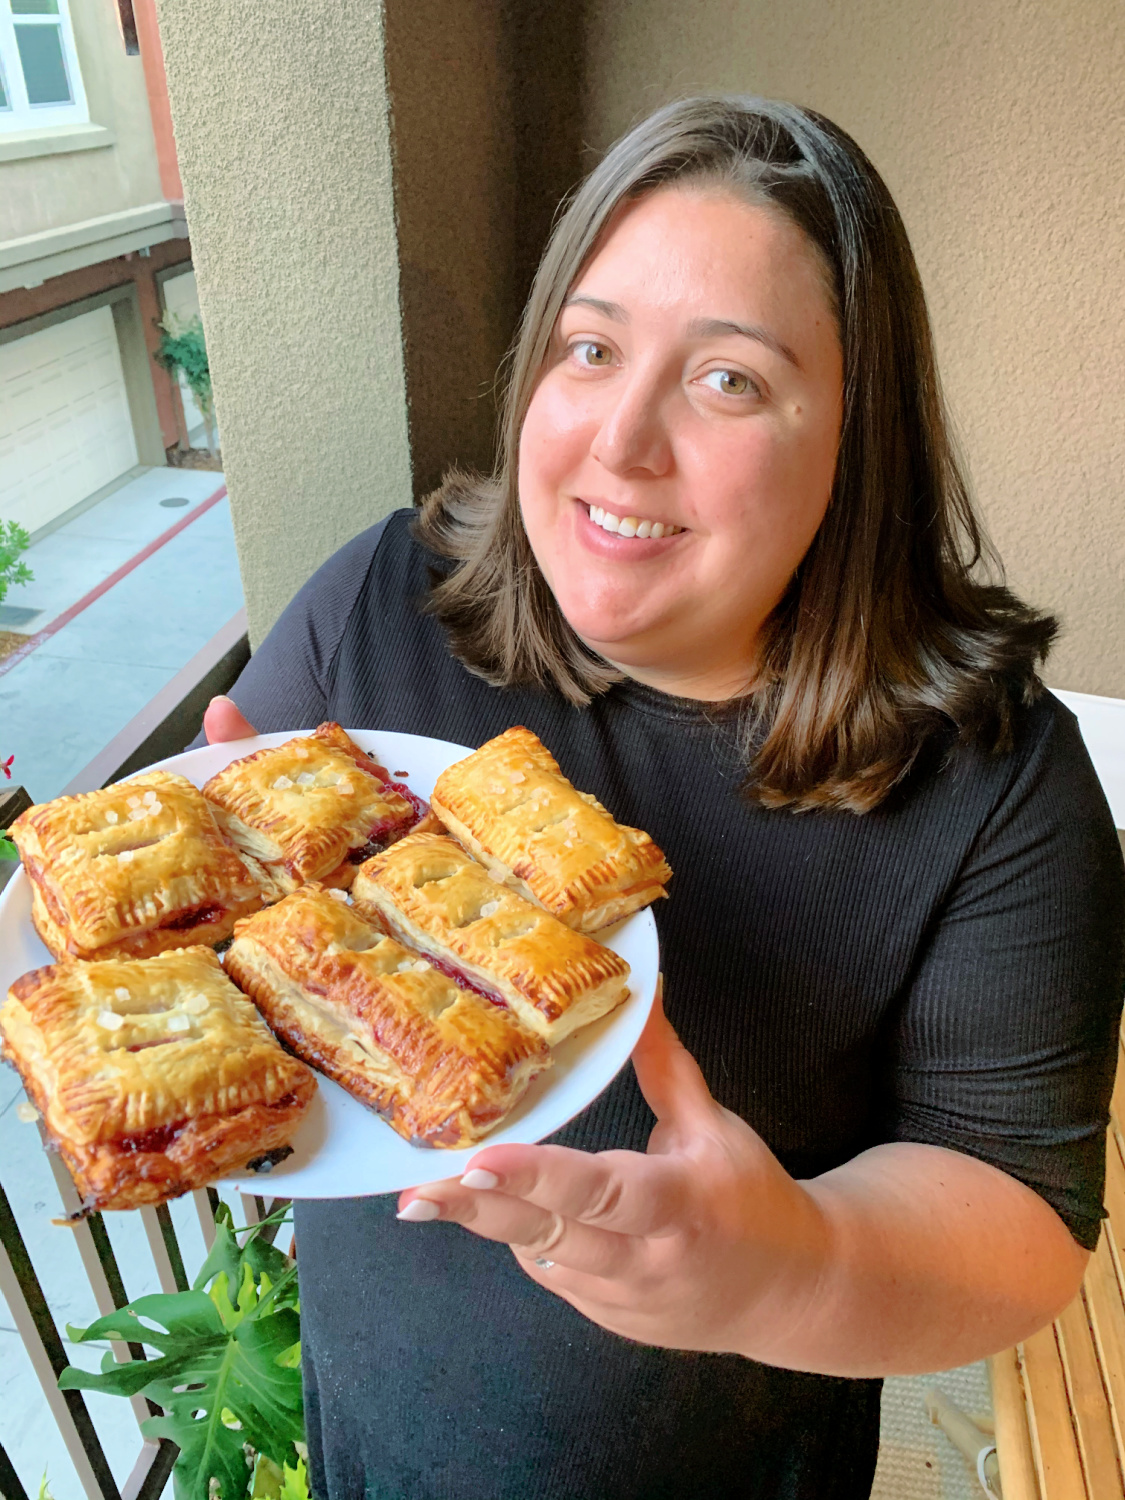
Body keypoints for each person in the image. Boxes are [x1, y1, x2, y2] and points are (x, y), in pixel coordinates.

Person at [200, 97, 1125, 1499]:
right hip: (374, 1448)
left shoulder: (995, 778)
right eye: (589, 347)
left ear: (856, 441)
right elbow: (224, 936)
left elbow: (1016, 1216)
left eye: (728, 381)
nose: (621, 440)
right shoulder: (383, 604)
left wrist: (784, 1270)